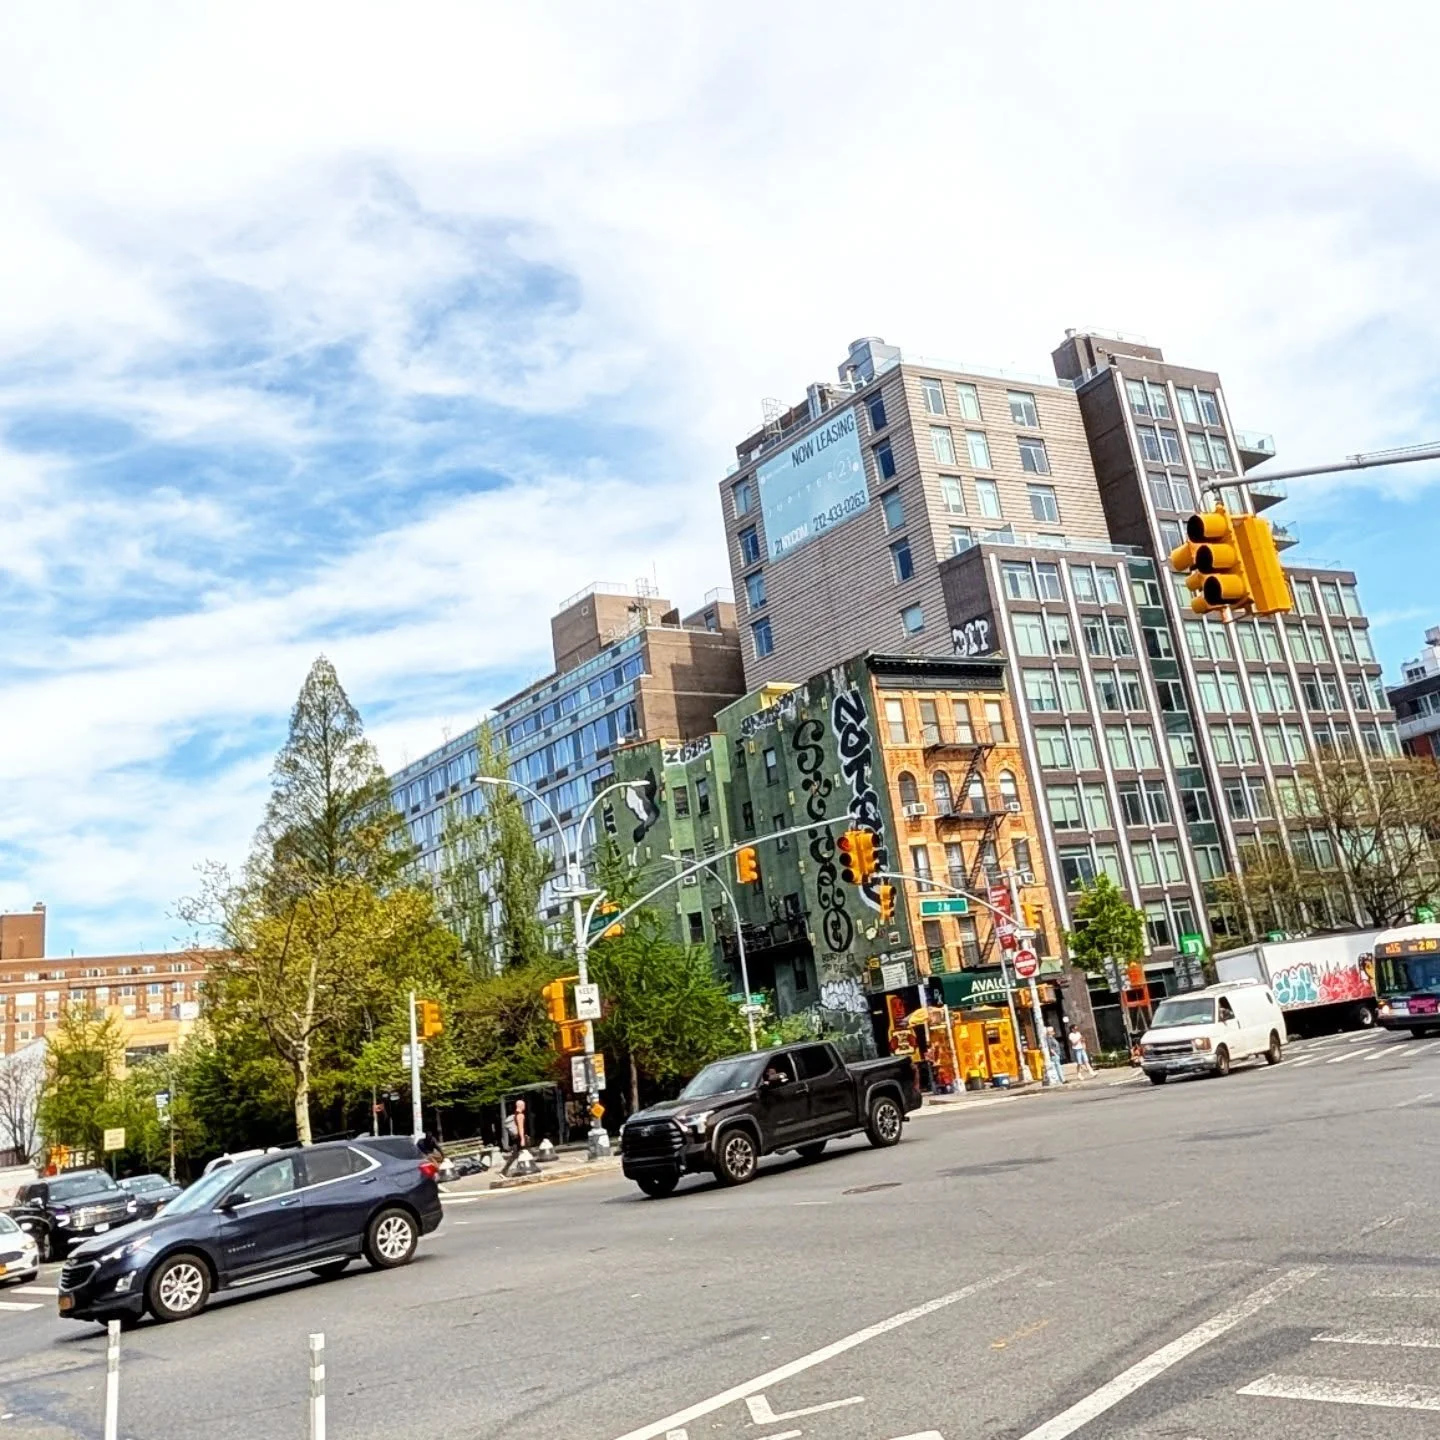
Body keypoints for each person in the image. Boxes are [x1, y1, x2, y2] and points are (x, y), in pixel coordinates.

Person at [500, 1098, 528, 1176]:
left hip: (515, 1138)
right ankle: (504, 1171)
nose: (524, 1106)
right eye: (524, 1105)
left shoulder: (515, 1115)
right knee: (516, 1155)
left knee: (517, 1154)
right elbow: (520, 1127)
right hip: (519, 1138)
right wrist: (522, 1139)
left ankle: (517, 1169)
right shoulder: (520, 1115)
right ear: (521, 1106)